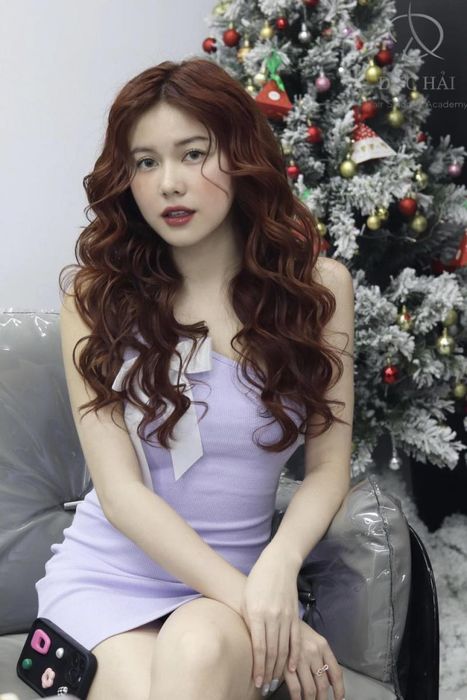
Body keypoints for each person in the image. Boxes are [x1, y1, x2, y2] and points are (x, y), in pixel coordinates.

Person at [35, 56, 354, 700]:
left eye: (193, 154)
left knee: (198, 649)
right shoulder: (95, 300)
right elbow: (120, 494)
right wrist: (261, 609)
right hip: (106, 582)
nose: (169, 184)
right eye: (145, 162)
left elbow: (327, 468)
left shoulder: (318, 292)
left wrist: (277, 571)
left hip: (239, 590)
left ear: (240, 155)